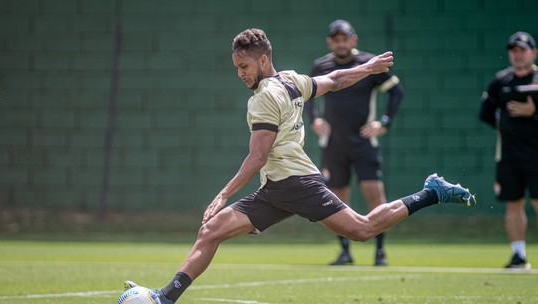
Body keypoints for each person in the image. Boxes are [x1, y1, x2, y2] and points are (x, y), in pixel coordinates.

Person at [125, 28, 476, 304]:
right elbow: (336, 80)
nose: (240, 74)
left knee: (362, 229)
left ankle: (431, 192)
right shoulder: (291, 80)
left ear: (263, 60)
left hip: (296, 184)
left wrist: (222, 194)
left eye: (244, 67)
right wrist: (365, 69)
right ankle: (165, 298)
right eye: (236, 68)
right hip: (276, 188)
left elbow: (257, 157)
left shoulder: (263, 98)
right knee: (211, 231)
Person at [305, 19, 404, 266]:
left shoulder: (368, 64)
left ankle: (380, 251)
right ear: (330, 42)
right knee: (337, 200)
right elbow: (305, 94)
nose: (341, 43)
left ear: (353, 40)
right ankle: (345, 251)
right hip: (334, 144)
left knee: (374, 193)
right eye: (336, 39)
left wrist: (383, 122)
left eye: (344, 38)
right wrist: (314, 119)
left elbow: (396, 91)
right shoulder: (321, 65)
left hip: (362, 142)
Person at [479, 31, 538, 269]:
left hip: (536, 155)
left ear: (533, 53)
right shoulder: (500, 81)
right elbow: (485, 113)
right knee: (512, 203)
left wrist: (532, 113)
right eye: (513, 51)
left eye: (522, 50)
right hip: (508, 155)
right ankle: (518, 255)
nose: (518, 55)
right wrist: (505, 126)